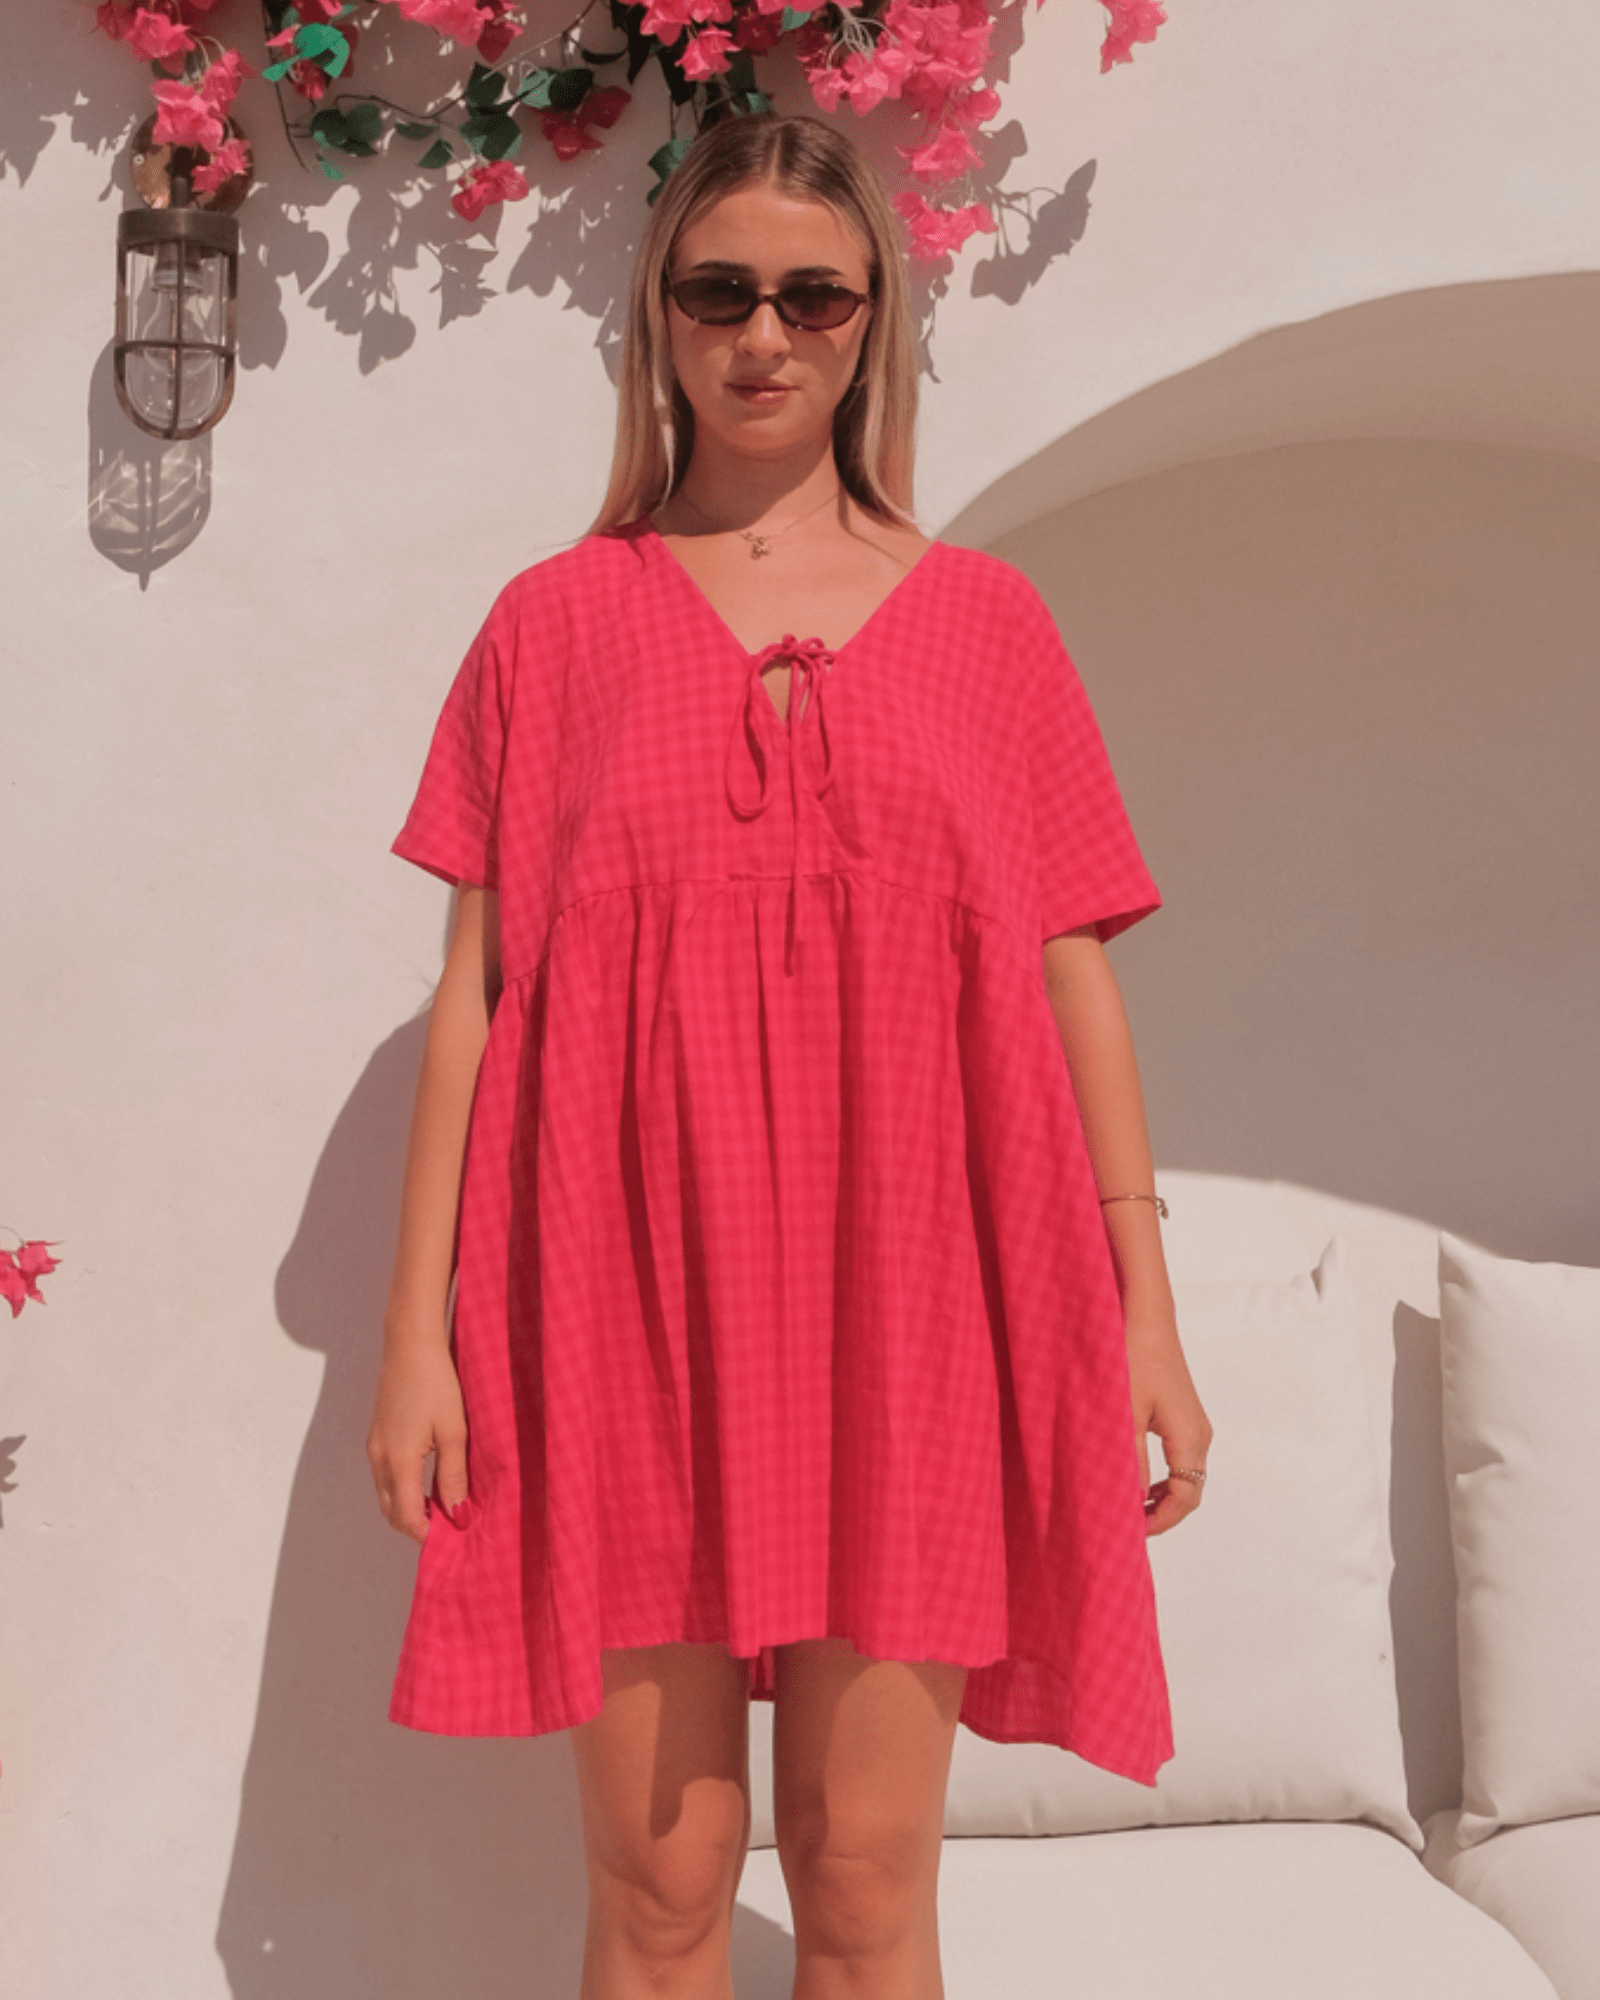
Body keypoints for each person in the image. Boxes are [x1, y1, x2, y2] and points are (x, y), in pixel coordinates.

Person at [367, 111, 1211, 2000]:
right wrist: (421, 1337)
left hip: (914, 1309)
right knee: (661, 1885)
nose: (763, 335)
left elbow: (1070, 970)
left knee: (861, 1875)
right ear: (658, 317)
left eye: (813, 297)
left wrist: (1142, 1313)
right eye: (719, 290)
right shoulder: (551, 626)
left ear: (872, 321)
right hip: (622, 1311)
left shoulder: (991, 626)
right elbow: (477, 997)